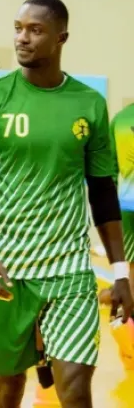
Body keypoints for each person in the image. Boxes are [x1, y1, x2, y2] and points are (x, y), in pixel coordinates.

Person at [0, 0, 134, 407]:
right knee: (7, 391)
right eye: (18, 29)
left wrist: (120, 271)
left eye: (36, 30)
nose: (23, 38)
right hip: (5, 266)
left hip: (68, 269)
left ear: (61, 38)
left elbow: (103, 191)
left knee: (73, 388)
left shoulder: (88, 103)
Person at [104, 101, 134, 369]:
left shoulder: (121, 118)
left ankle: (127, 329)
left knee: (128, 264)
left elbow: (110, 167)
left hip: (125, 203)